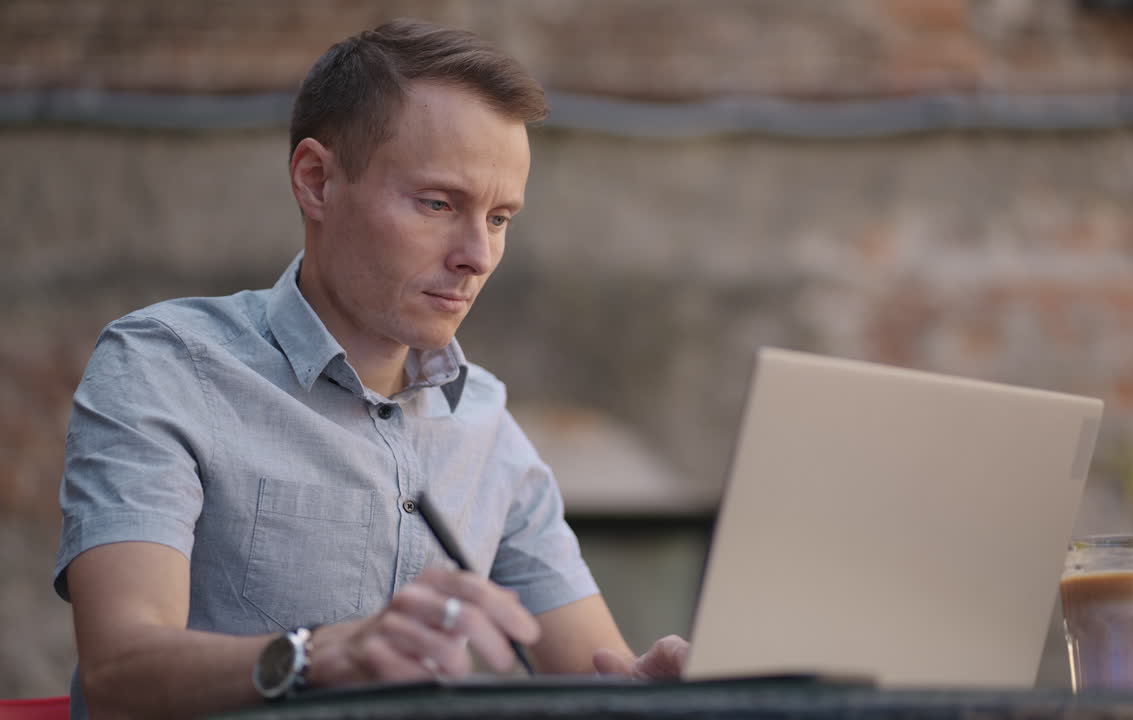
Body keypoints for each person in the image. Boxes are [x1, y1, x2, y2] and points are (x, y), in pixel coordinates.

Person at [54, 19, 688, 720]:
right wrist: (322, 655)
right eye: (440, 204)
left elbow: (600, 678)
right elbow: (120, 673)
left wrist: (663, 692)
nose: (477, 254)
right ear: (317, 181)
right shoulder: (164, 367)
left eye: (501, 217)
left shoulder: (485, 424)